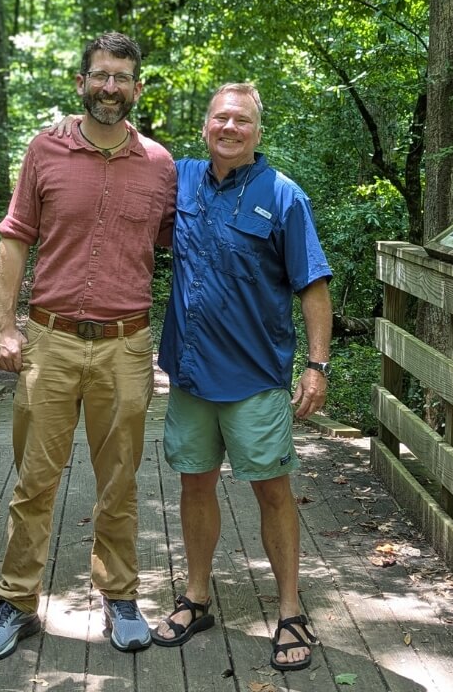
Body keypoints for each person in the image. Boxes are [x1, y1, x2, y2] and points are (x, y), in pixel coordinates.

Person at [0, 32, 176, 662]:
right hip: (50, 341)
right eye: (100, 75)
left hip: (125, 344)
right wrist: (4, 327)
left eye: (122, 77)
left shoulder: (162, 165)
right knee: (35, 481)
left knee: (119, 482)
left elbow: (186, 248)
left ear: (137, 88)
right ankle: (16, 601)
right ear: (81, 82)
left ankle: (118, 596)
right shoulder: (46, 149)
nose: (110, 87)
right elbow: (15, 238)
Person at [153, 83, 332, 672]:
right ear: (205, 124)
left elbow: (312, 284)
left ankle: (288, 609)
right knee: (194, 484)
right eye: (220, 117)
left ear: (258, 130)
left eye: (242, 120)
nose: (229, 127)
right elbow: (119, 157)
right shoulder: (179, 179)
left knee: (272, 491)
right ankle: (197, 596)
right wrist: (65, 128)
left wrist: (316, 365)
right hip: (191, 373)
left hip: (256, 377)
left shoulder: (283, 197)